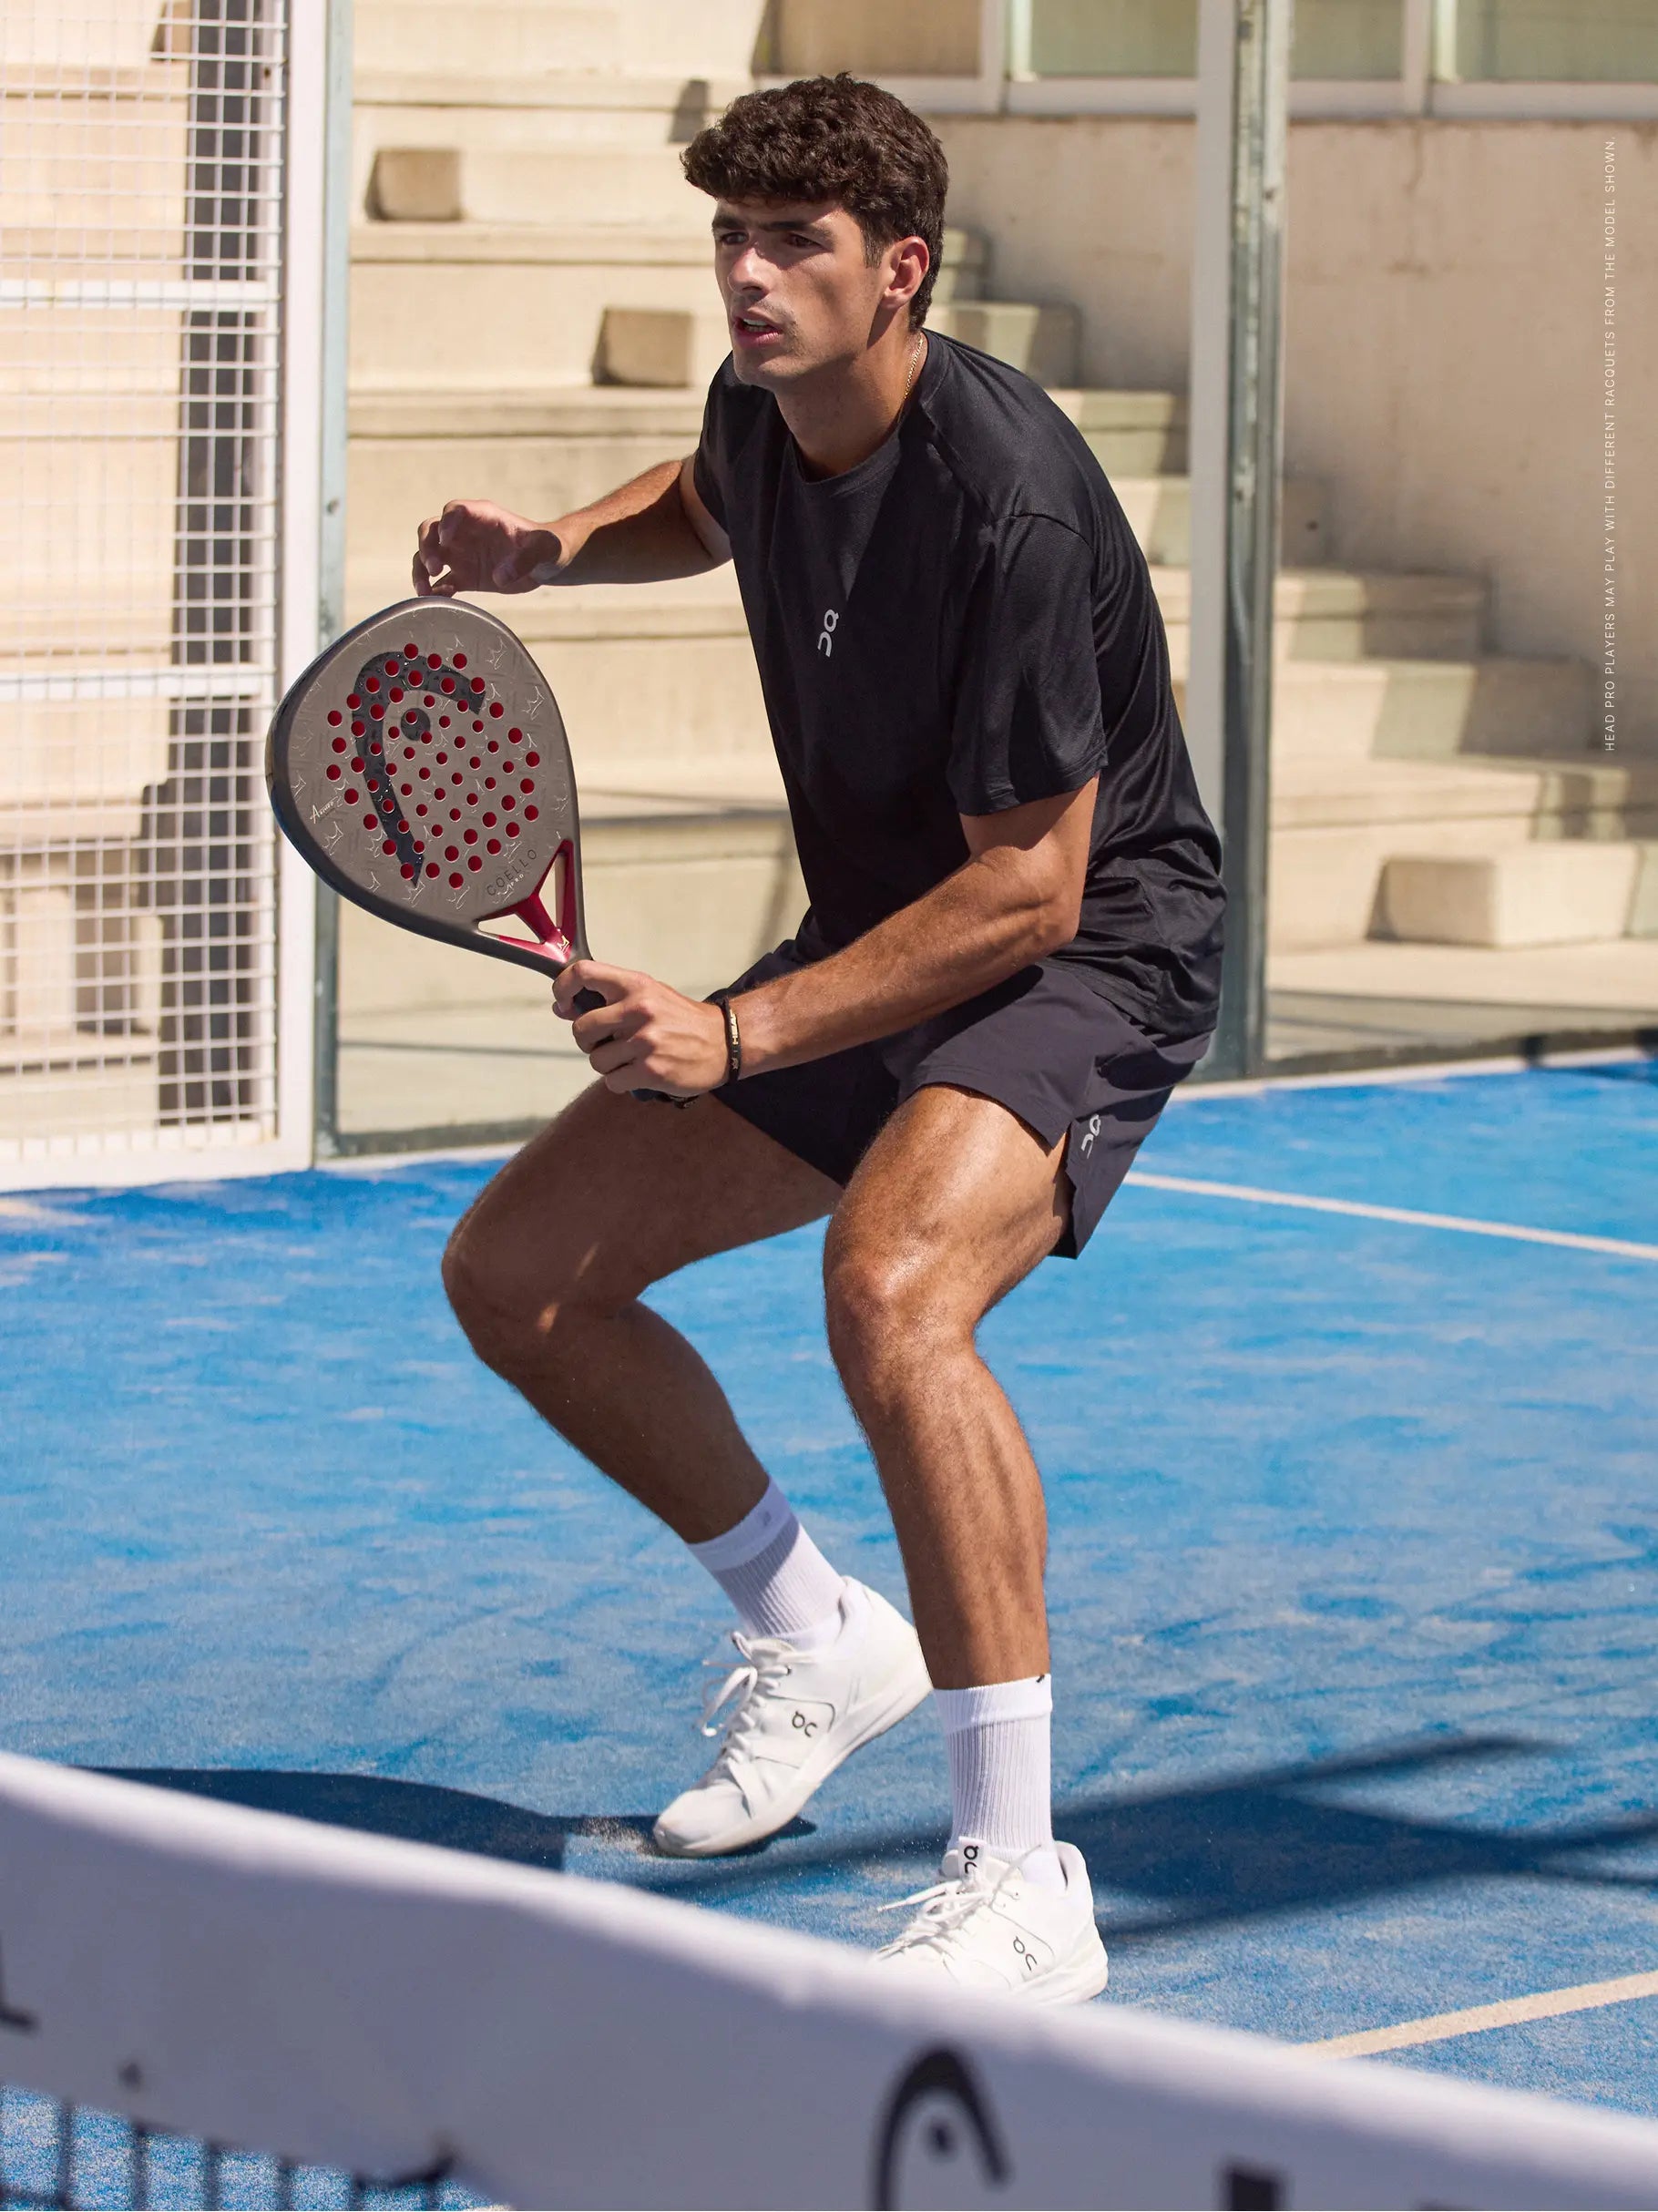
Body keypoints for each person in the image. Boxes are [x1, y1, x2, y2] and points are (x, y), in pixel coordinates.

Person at [415, 73, 1223, 2003]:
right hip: (892, 930)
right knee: (522, 1271)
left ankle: (1021, 1871)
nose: (751, 278)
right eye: (732, 239)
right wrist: (550, 548)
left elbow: (1029, 889)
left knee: (893, 1287)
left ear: (901, 272)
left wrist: (740, 1022)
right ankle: (813, 1629)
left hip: (1086, 946)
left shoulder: (1005, 500)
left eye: (796, 247)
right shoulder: (763, 406)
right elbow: (698, 498)